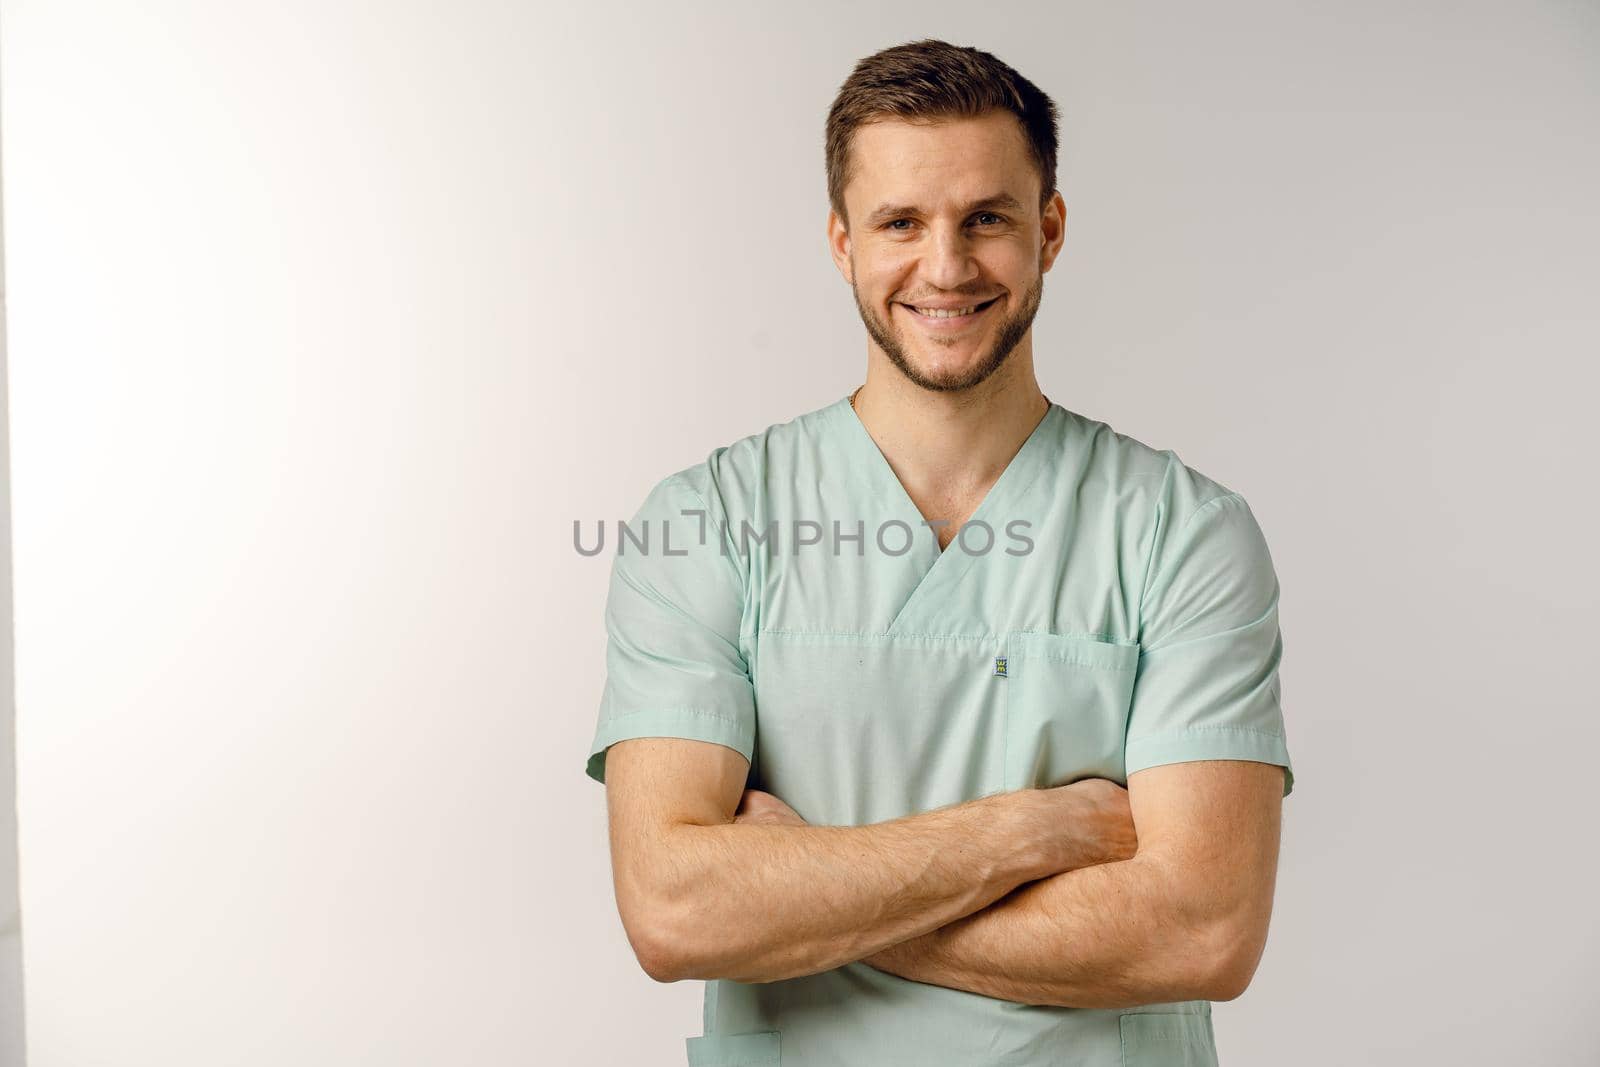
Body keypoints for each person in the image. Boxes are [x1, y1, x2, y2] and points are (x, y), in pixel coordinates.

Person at [583, 37, 1295, 1067]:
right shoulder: (707, 522)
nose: (947, 265)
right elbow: (675, 910)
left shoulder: (1181, 531)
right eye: (901, 222)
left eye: (987, 218)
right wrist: (1023, 834)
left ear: (1048, 231)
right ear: (842, 241)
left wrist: (804, 893)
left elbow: (1203, 927)